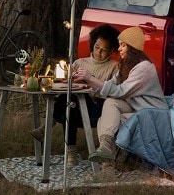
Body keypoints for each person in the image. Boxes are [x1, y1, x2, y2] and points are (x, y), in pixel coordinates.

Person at [72, 25, 166, 163]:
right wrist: (87, 83)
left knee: (105, 120)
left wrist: (91, 78)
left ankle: (107, 161)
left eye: (123, 45)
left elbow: (120, 91)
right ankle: (106, 151)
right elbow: (111, 84)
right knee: (108, 110)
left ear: (132, 48)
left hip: (152, 114)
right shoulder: (126, 66)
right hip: (137, 109)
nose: (119, 49)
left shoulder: (144, 68)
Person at [31, 24, 120, 165]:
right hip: (74, 107)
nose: (99, 52)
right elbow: (62, 80)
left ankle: (47, 127)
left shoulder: (114, 67)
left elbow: (113, 92)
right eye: (97, 47)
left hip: (97, 107)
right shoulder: (79, 63)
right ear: (92, 44)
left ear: (111, 51)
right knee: (69, 102)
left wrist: (89, 81)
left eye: (104, 50)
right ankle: (71, 152)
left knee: (71, 99)